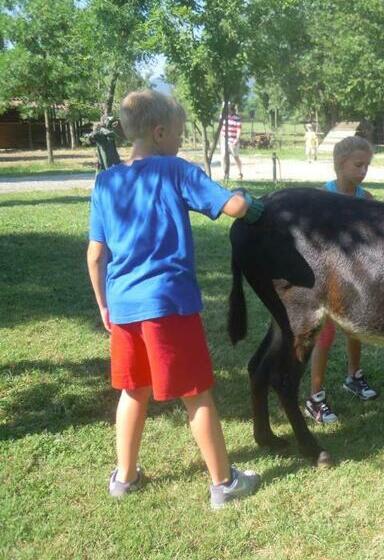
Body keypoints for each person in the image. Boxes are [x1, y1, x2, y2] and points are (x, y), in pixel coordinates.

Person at [86, 89, 264, 509]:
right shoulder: (177, 171)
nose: (181, 142)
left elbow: (95, 255)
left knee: (133, 390)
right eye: (180, 135)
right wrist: (247, 199)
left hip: (124, 307)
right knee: (195, 392)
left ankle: (125, 478)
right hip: (169, 305)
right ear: (160, 132)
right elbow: (233, 207)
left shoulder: (106, 181)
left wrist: (104, 305)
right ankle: (224, 484)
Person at [305, 136, 379, 424]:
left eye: (367, 165)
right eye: (358, 165)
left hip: (354, 278)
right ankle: (315, 396)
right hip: (325, 279)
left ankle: (354, 376)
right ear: (339, 164)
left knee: (354, 329)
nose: (363, 171)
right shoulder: (320, 197)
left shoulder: (366, 198)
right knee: (324, 335)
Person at [221, 104, 243, 180]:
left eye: (229, 109)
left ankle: (240, 172)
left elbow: (239, 129)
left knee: (235, 157)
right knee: (223, 156)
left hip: (233, 140)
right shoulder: (223, 117)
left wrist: (236, 139)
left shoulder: (237, 118)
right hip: (224, 139)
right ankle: (225, 173)